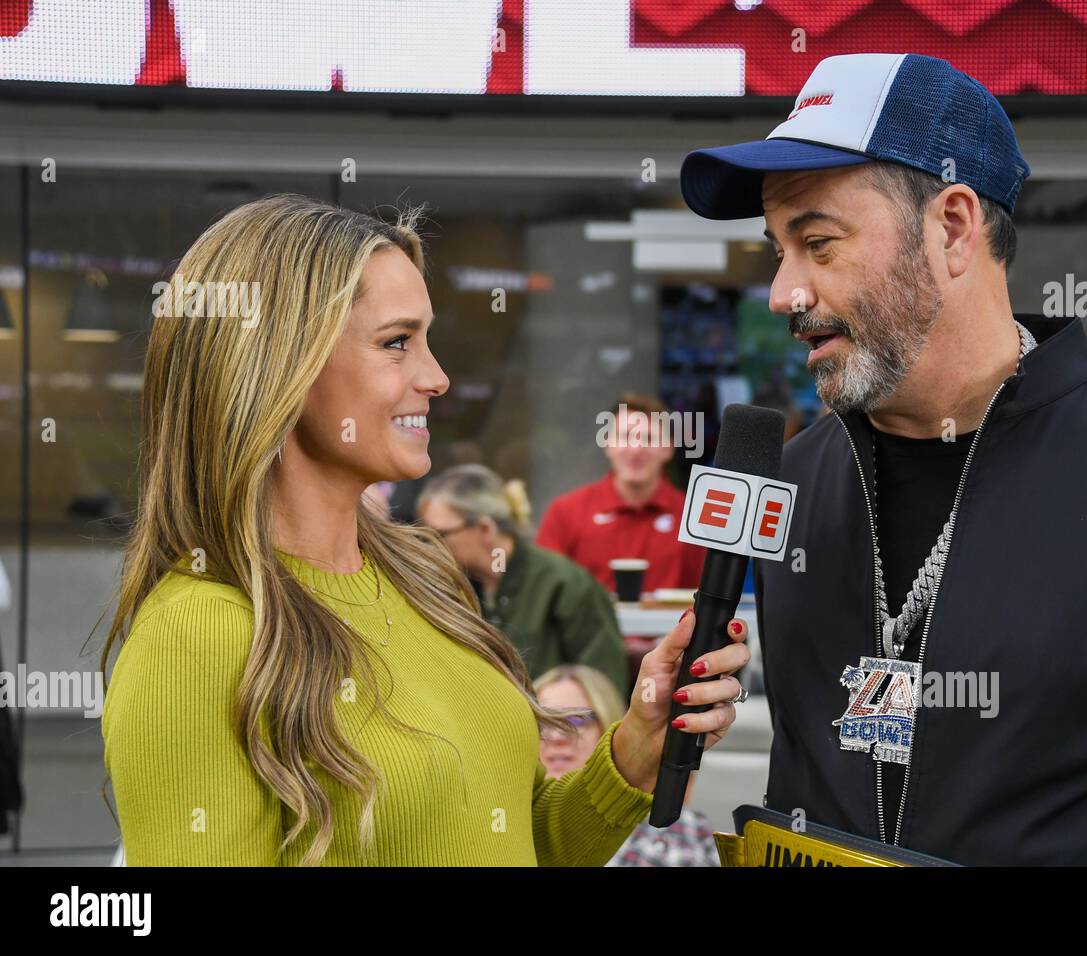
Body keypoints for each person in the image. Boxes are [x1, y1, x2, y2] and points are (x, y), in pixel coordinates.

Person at [679, 53, 1087, 865]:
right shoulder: (791, 484)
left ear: (955, 227)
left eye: (818, 244)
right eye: (778, 251)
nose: (782, 292)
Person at [99, 194, 751, 866]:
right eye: (397, 342)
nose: (437, 377)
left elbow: (521, 846)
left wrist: (634, 749)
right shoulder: (195, 636)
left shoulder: (426, 577)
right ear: (279, 366)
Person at [417, 464, 628, 696]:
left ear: (486, 528)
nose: (431, 547)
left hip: (555, 729)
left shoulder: (563, 583)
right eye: (426, 536)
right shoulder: (449, 587)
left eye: (440, 535)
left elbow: (605, 685)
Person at [535, 665, 720, 868]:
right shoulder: (506, 822)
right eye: (543, 722)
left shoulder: (674, 828)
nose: (556, 736)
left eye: (576, 720)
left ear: (610, 726)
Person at [535, 394, 706, 595]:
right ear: (608, 444)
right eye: (625, 437)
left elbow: (708, 599)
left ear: (668, 448)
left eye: (649, 438)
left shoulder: (695, 518)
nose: (636, 449)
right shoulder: (565, 513)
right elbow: (542, 592)